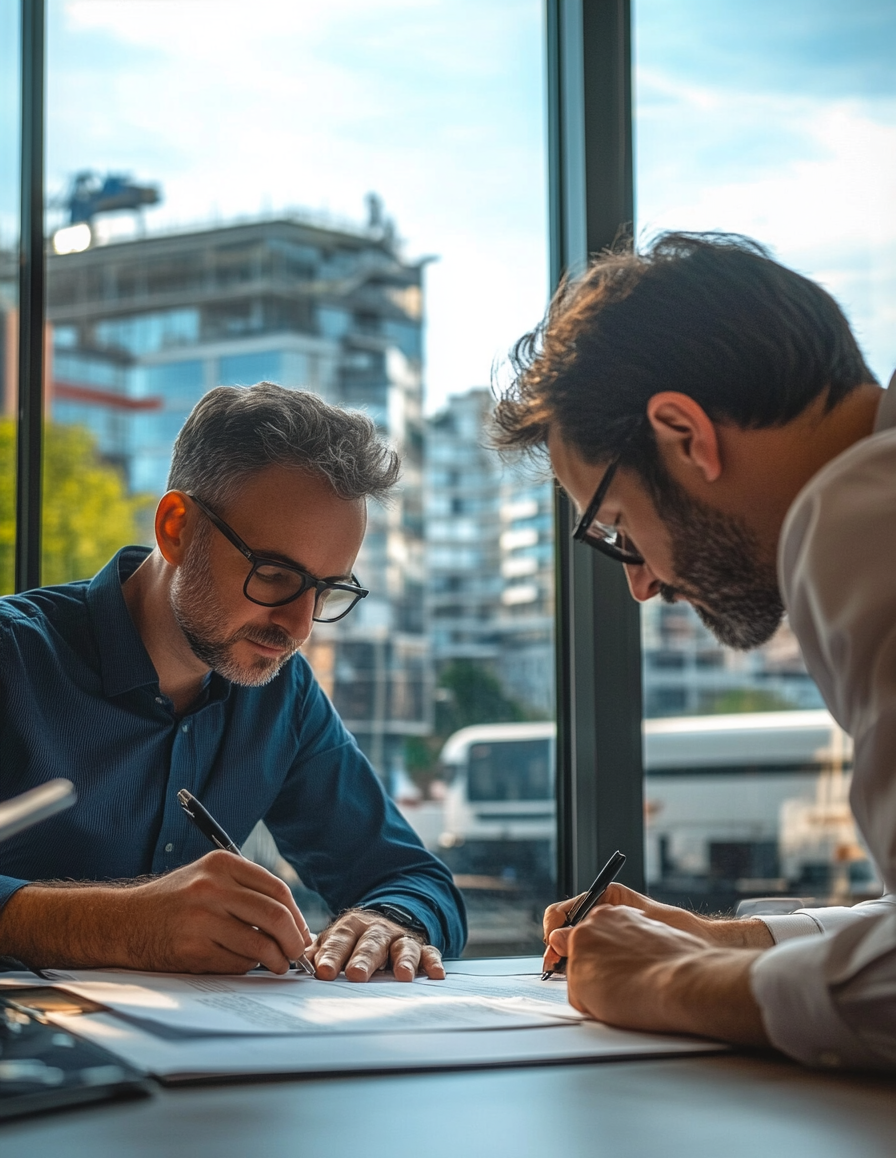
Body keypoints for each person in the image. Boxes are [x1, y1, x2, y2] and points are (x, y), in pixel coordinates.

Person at [493, 232, 896, 1071]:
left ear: (685, 435)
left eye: (618, 531)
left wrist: (674, 980)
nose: (640, 585)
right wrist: (738, 940)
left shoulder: (861, 513)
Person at [0, 383, 465, 979]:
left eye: (326, 590)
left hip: (205, 1065)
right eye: (274, 574)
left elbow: (414, 879)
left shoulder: (282, 695)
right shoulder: (14, 657)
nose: (299, 627)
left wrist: (390, 921)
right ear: (176, 528)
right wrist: (115, 924)